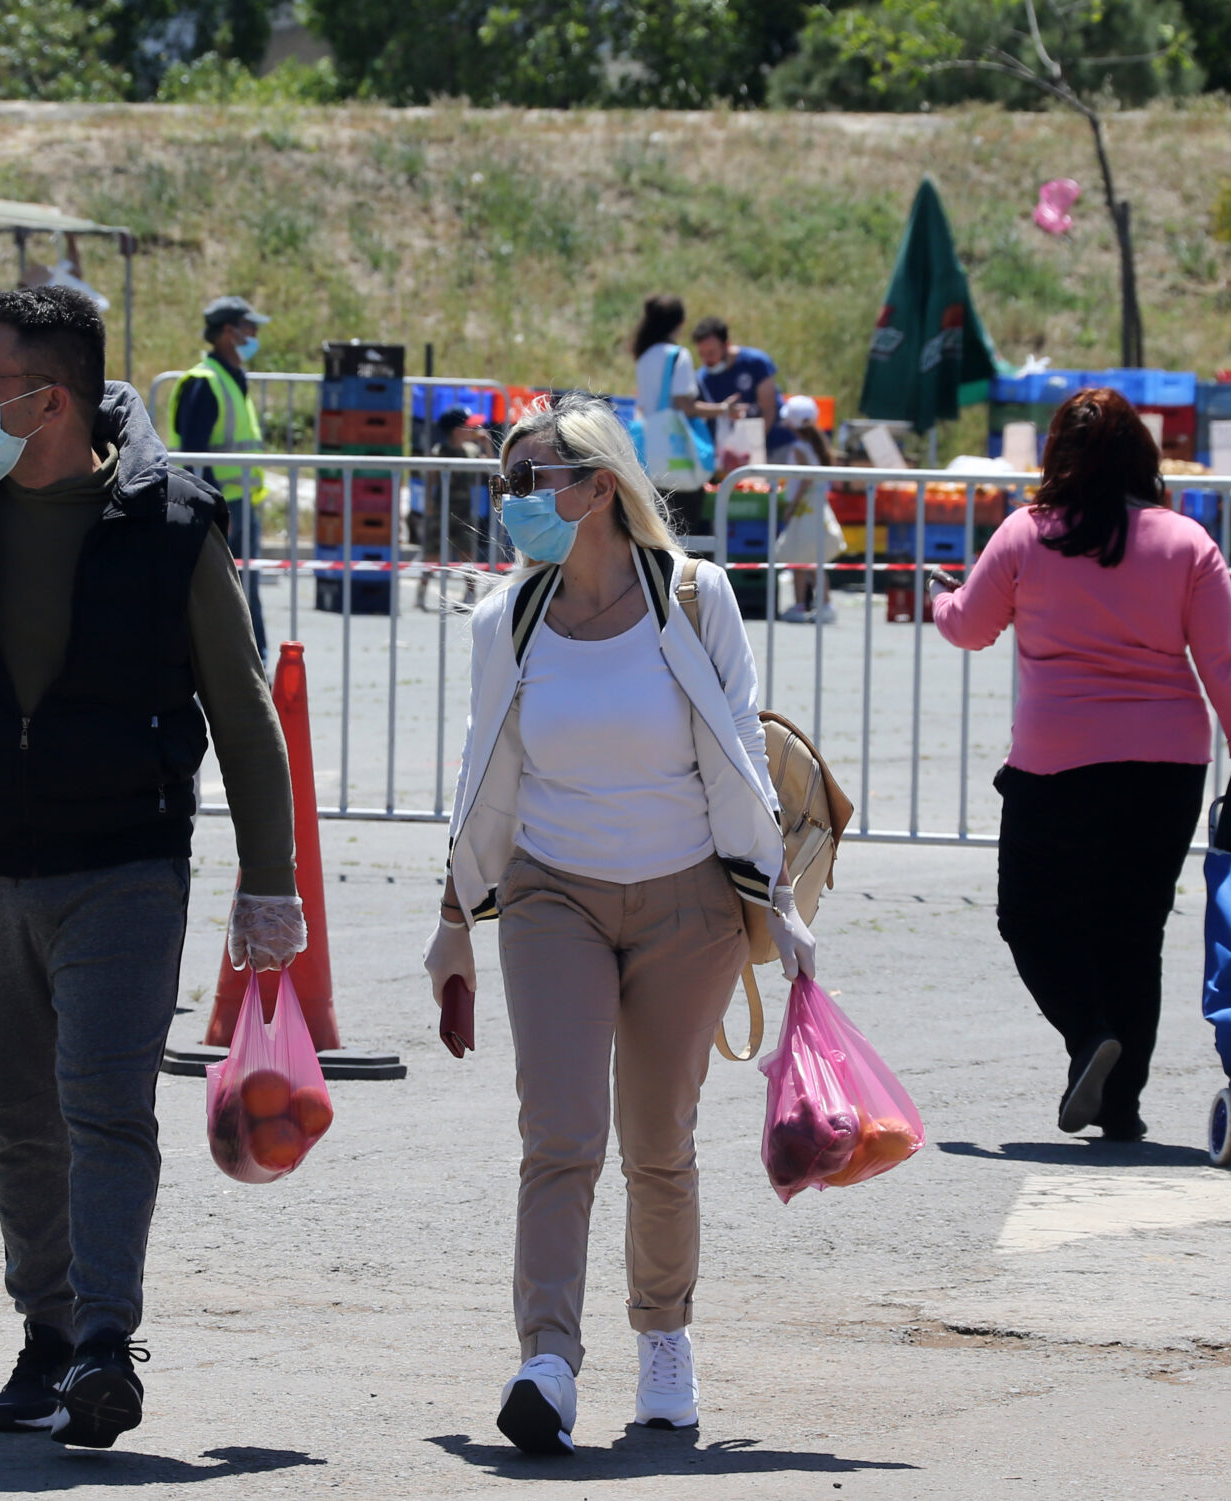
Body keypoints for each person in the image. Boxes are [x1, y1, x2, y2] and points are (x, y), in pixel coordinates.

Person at [0, 285, 303, 1450]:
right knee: (19, 1120)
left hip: (122, 864)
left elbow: (241, 710)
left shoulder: (170, 519)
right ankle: (46, 1327)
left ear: (52, 398)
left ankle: (101, 1345)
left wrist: (269, 879)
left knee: (102, 1105)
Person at [420, 393, 817, 1455]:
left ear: (596, 487)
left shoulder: (693, 600)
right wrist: (452, 918)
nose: (510, 502)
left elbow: (736, 748)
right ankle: (545, 1360)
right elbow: (479, 775)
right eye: (505, 482)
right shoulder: (499, 621)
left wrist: (776, 903)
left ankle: (662, 1340)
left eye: (529, 480)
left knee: (658, 1140)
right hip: (551, 894)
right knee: (557, 1133)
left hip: (686, 901)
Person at [929, 388, 1231, 1142]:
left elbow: (970, 627)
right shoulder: (1186, 542)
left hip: (1058, 760)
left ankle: (1087, 1035)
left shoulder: (1027, 534)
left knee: (1029, 918)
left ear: (1058, 458)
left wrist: (939, 599)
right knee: (1133, 927)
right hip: (1167, 762)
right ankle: (1121, 1106)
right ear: (1141, 458)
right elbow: (1225, 661)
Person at [168, 294, 271, 655]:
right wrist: (212, 511)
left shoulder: (232, 378)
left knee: (247, 588)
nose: (255, 335)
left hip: (242, 503)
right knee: (214, 591)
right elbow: (194, 457)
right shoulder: (204, 382)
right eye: (249, 328)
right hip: (219, 508)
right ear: (229, 332)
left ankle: (257, 664)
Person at [629, 295, 736, 541]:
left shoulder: (644, 356)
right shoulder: (678, 355)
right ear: (679, 323)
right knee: (687, 535)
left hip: (650, 456)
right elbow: (684, 405)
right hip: (677, 458)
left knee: (658, 533)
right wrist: (722, 409)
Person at [770, 393, 840, 625]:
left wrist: (792, 506)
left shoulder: (799, 448)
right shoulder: (819, 445)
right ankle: (823, 604)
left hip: (805, 509)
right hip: (817, 508)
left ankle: (804, 605)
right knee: (813, 560)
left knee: (799, 559)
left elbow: (805, 479)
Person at [416, 405, 494, 610]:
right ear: (456, 430)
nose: (473, 429)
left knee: (467, 554)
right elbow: (432, 478)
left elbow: (491, 469)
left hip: (464, 512)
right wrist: (429, 502)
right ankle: (421, 594)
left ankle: (470, 594)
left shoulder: (471, 451)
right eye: (467, 426)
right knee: (432, 553)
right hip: (443, 509)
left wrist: (486, 445)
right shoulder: (440, 451)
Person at [689, 316, 789, 459]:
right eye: (701, 354)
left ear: (726, 345)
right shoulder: (702, 379)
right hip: (739, 455)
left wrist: (751, 447)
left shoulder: (755, 363)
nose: (706, 360)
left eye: (711, 353)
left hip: (776, 445)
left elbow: (768, 409)